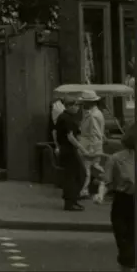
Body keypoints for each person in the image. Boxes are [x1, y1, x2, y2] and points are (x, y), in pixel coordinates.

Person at [94, 123, 135, 272]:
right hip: (124, 203)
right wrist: (100, 194)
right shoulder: (117, 159)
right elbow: (106, 181)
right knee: (126, 248)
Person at [55, 98, 90, 211]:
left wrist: (57, 146)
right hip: (69, 150)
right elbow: (70, 136)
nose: (78, 108)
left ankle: (72, 200)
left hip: (66, 150)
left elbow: (54, 132)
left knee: (74, 175)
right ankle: (70, 202)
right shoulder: (67, 118)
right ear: (69, 106)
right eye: (76, 105)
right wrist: (82, 149)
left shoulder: (64, 117)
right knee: (78, 175)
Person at [78, 90, 106, 198]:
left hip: (90, 145)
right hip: (96, 145)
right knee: (95, 167)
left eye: (84, 102)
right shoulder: (98, 113)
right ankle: (106, 180)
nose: (83, 104)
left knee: (87, 168)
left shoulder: (92, 115)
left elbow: (94, 133)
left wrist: (90, 149)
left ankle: (84, 191)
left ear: (89, 103)